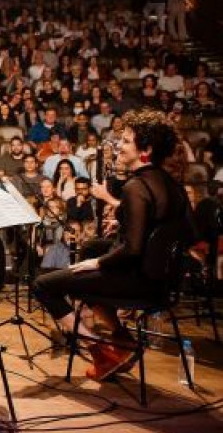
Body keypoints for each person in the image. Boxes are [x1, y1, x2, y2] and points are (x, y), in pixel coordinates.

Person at [34, 110, 193, 380]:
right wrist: (128, 224)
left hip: (138, 281)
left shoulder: (137, 187)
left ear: (147, 149)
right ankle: (123, 340)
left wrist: (98, 263)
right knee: (92, 247)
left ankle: (102, 353)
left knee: (43, 285)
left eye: (127, 141)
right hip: (162, 282)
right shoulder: (172, 184)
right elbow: (187, 232)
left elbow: (132, 249)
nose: (119, 145)